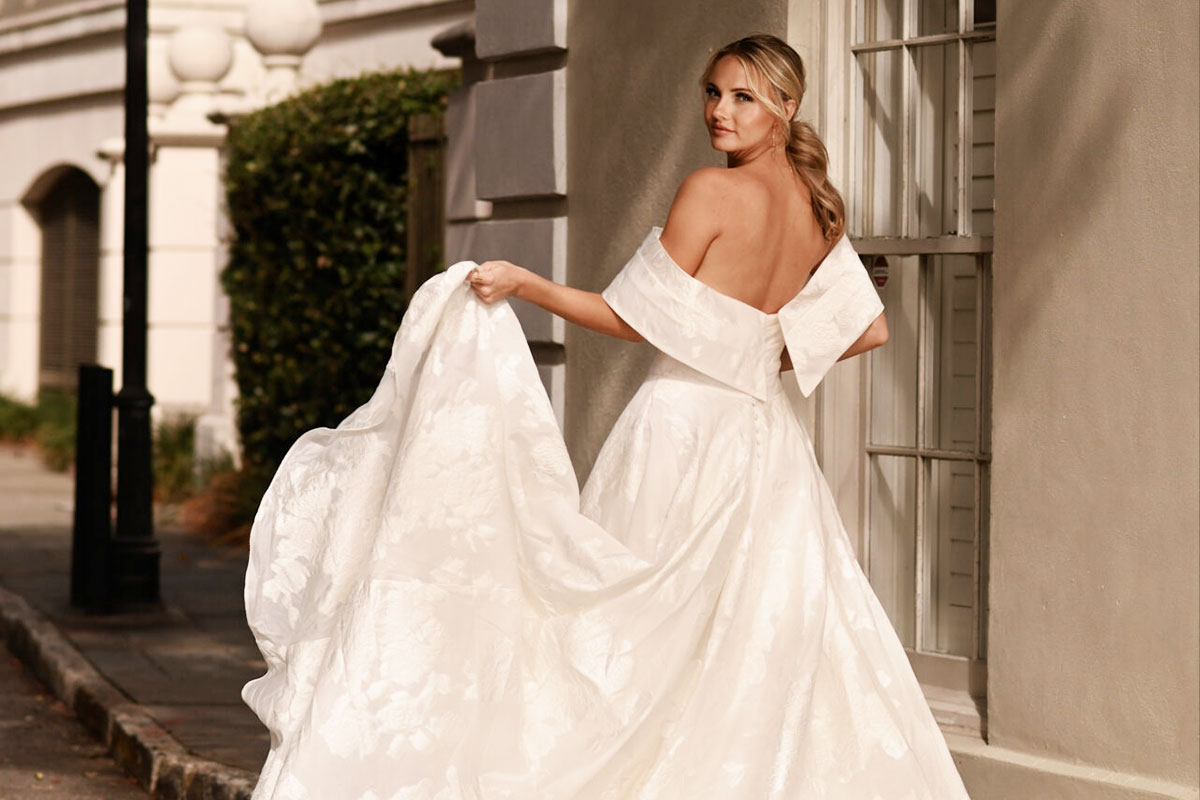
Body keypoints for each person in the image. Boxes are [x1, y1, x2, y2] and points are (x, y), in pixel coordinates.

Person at [242, 34, 972, 799]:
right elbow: (869, 328)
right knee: (757, 636)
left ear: (786, 108)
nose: (719, 112)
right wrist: (757, 354)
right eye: (713, 92)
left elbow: (628, 319)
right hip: (768, 442)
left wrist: (525, 282)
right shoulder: (817, 208)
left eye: (743, 97)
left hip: (680, 434)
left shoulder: (709, 192)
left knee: (619, 631)